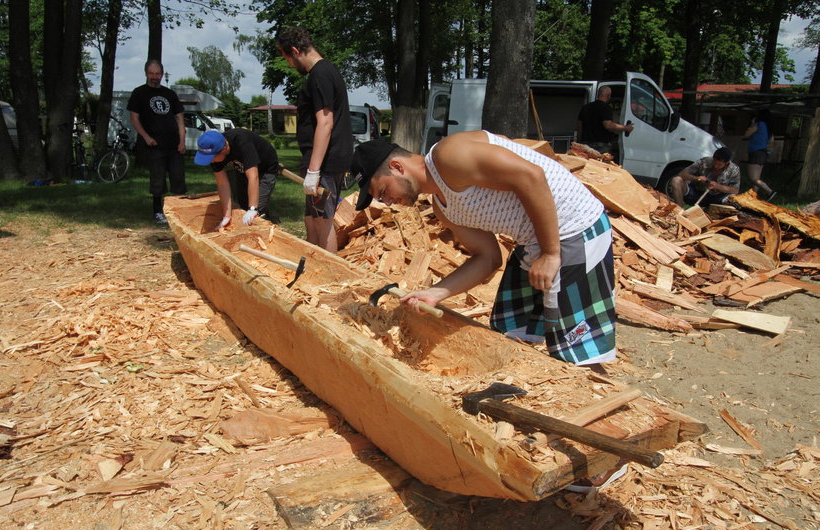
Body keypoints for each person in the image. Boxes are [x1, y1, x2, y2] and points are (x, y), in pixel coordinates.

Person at [350, 132, 616, 366]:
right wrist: (434, 294)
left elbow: (531, 176)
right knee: (510, 327)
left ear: (397, 167)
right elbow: (488, 258)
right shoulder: (444, 208)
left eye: (382, 191)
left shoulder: (449, 156)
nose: (386, 201)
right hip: (534, 242)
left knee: (573, 348)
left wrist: (550, 254)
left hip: (574, 229)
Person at [275, 27, 353, 253]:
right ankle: (311, 266)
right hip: (319, 161)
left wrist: (314, 171)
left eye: (286, 58)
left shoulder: (320, 75)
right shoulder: (322, 73)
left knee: (322, 220)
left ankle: (329, 279)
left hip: (325, 163)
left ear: (295, 50)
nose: (289, 64)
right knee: (311, 218)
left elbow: (325, 122)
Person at [127, 60, 186, 223]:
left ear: (162, 74)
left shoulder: (170, 94)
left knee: (178, 179)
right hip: (155, 144)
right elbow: (134, 118)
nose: (155, 77)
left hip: (174, 143)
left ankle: (179, 211)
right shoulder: (139, 93)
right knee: (158, 179)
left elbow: (180, 118)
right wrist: (146, 137)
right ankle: (158, 211)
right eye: (152, 74)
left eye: (158, 74)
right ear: (146, 73)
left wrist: (182, 140)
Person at [194, 129, 279, 229]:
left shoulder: (242, 142)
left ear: (224, 148)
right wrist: (226, 215)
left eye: (212, 158)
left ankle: (266, 230)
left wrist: (252, 209)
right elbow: (222, 184)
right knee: (243, 205)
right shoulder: (215, 151)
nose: (211, 161)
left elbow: (253, 176)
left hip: (266, 168)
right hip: (243, 167)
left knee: (257, 210)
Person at [577, 85, 633, 162]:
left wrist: (579, 140)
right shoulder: (606, 108)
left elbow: (580, 125)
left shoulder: (586, 107)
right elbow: (608, 125)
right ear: (608, 95)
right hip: (601, 145)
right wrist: (626, 128)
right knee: (601, 166)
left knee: (588, 166)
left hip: (586, 143)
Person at [669, 147, 740, 207]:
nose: (716, 166)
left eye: (719, 164)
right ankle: (680, 207)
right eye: (714, 163)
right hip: (696, 193)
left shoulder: (734, 170)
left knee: (733, 199)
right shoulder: (704, 161)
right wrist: (697, 178)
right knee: (676, 180)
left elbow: (735, 190)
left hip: (718, 198)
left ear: (726, 163)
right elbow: (682, 174)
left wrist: (717, 186)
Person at [743, 109, 776, 201]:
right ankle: (754, 196)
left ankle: (769, 191)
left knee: (753, 177)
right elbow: (772, 141)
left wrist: (752, 124)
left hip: (756, 152)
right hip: (764, 153)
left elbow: (746, 134)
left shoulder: (759, 124)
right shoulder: (769, 128)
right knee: (757, 177)